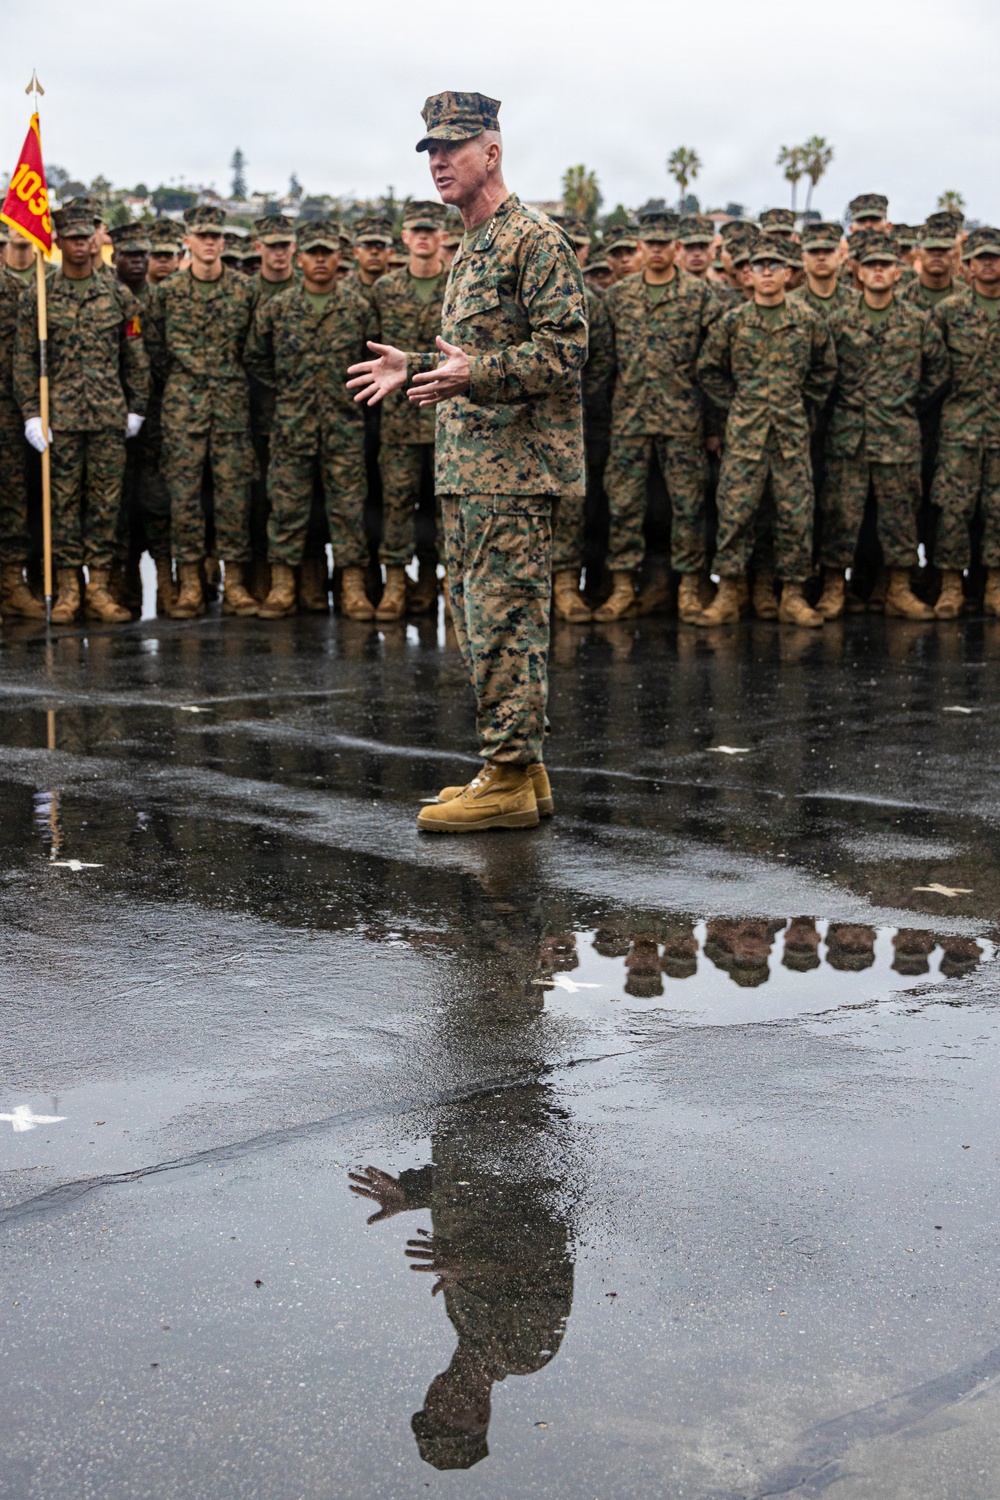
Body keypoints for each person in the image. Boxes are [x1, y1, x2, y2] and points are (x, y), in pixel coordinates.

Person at [347, 90, 587, 833]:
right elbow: (473, 358)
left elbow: (566, 350)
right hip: (474, 470)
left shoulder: (530, 240)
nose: (440, 161)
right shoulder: (474, 244)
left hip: (513, 474)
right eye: (431, 150)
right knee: (485, 623)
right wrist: (417, 364)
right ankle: (521, 768)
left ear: (493, 150)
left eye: (454, 146)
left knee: (503, 623)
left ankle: (507, 777)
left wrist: (472, 374)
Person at [13, 203, 149, 624]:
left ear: (95, 241)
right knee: (64, 506)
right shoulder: (39, 295)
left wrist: (136, 407)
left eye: (86, 237)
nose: (80, 245)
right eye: (72, 238)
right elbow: (23, 362)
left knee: (107, 506)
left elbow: (136, 357)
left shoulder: (117, 294)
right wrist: (33, 415)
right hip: (63, 421)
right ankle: (69, 590)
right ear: (57, 241)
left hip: (109, 418)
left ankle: (99, 590)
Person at [695, 233, 837, 627]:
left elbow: (825, 371)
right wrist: (738, 402)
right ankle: (729, 594)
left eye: (776, 266)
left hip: (791, 434)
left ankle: (792, 595)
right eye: (760, 267)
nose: (768, 273)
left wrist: (799, 401)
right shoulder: (734, 322)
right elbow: (709, 369)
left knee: (795, 515)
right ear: (748, 276)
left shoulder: (807, 320)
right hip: (746, 435)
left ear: (789, 273)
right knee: (736, 514)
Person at [245, 219, 376, 620]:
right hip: (292, 425)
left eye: (327, 253)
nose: (320, 260)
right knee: (286, 508)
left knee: (349, 510)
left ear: (340, 257)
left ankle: (352, 588)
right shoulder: (278, 308)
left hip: (343, 425)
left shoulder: (357, 308)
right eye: (313, 253)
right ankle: (283, 587)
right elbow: (255, 356)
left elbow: (374, 362)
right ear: (300, 258)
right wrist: (289, 387)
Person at [815, 232, 949, 621]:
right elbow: (823, 374)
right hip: (849, 436)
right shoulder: (838, 321)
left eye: (885, 265)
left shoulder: (917, 321)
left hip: (897, 435)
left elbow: (937, 372)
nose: (878, 271)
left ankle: (899, 590)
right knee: (840, 514)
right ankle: (833, 588)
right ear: (857, 272)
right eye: (871, 265)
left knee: (900, 517)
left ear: (898, 272)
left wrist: (903, 403)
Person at [599, 207, 720, 623]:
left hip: (682, 418)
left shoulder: (700, 295)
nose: (656, 251)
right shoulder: (619, 296)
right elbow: (605, 362)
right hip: (629, 416)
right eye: (649, 244)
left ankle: (689, 588)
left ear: (677, 247)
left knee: (688, 506)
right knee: (624, 505)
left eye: (664, 244)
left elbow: (712, 367)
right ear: (640, 246)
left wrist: (713, 427)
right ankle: (621, 589)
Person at [144, 202, 259, 619]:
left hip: (229, 409)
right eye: (202, 236)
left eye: (216, 237)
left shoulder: (245, 291)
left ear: (223, 241)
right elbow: (154, 353)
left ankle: (236, 585)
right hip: (183, 409)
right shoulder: (166, 294)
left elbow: (253, 351)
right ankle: (190, 583)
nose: (210, 243)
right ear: (187, 242)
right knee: (184, 500)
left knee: (233, 499)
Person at [371, 200, 448, 620]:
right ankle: (396, 586)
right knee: (397, 506)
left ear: (443, 237)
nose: (422, 237)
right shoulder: (384, 290)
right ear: (404, 237)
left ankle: (445, 584)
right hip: (399, 422)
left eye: (430, 230)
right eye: (415, 230)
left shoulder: (459, 285)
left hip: (448, 420)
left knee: (446, 510)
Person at [930, 225, 1000, 619]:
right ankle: (951, 586)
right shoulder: (948, 312)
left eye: (994, 257)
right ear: (968, 266)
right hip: (959, 427)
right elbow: (931, 373)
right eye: (980, 258)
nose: (988, 264)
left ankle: (994, 585)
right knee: (953, 510)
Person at [0, 229, 44, 620]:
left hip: (7, 413)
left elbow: (27, 356)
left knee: (13, 499)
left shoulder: (15, 294)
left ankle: (12, 584)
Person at [109, 221, 153, 612]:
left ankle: (171, 586)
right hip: (107, 417)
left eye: (143, 256)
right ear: (114, 257)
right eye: (129, 256)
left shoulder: (162, 298)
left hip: (163, 417)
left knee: (156, 504)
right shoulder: (108, 297)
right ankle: (118, 588)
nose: (137, 263)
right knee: (115, 507)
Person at [901, 213, 966, 311]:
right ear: (918, 253)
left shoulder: (968, 299)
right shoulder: (902, 298)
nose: (937, 254)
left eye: (943, 249)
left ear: (954, 254)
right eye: (930, 249)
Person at [676, 214, 716, 280]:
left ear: (713, 251)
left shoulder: (723, 290)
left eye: (703, 246)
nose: (697, 253)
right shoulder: (667, 290)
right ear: (677, 250)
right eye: (689, 247)